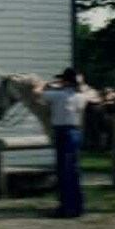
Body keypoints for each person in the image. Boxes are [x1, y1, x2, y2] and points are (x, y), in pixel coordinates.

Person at [37, 67, 90, 218]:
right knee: (74, 170)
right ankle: (78, 206)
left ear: (65, 81)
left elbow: (38, 94)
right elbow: (84, 94)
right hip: (75, 132)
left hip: (62, 133)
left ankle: (66, 208)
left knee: (63, 171)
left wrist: (49, 85)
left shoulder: (57, 95)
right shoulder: (80, 97)